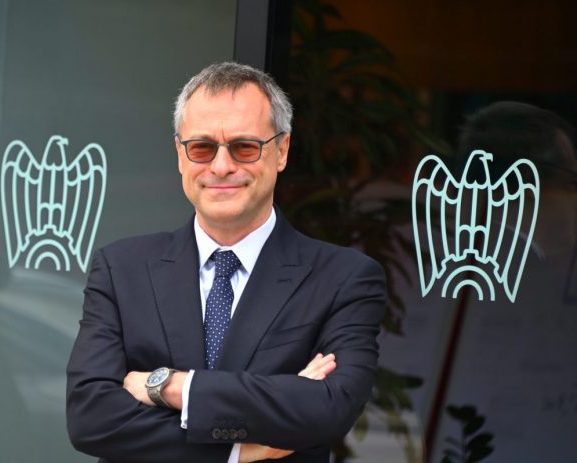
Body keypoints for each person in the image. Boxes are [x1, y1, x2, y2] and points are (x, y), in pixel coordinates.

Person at [66, 62, 386, 463]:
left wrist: (171, 387)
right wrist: (237, 450)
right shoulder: (121, 269)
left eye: (244, 147)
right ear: (180, 154)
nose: (221, 166)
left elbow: (328, 409)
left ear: (282, 151)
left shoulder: (343, 278)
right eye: (202, 147)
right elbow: (91, 418)